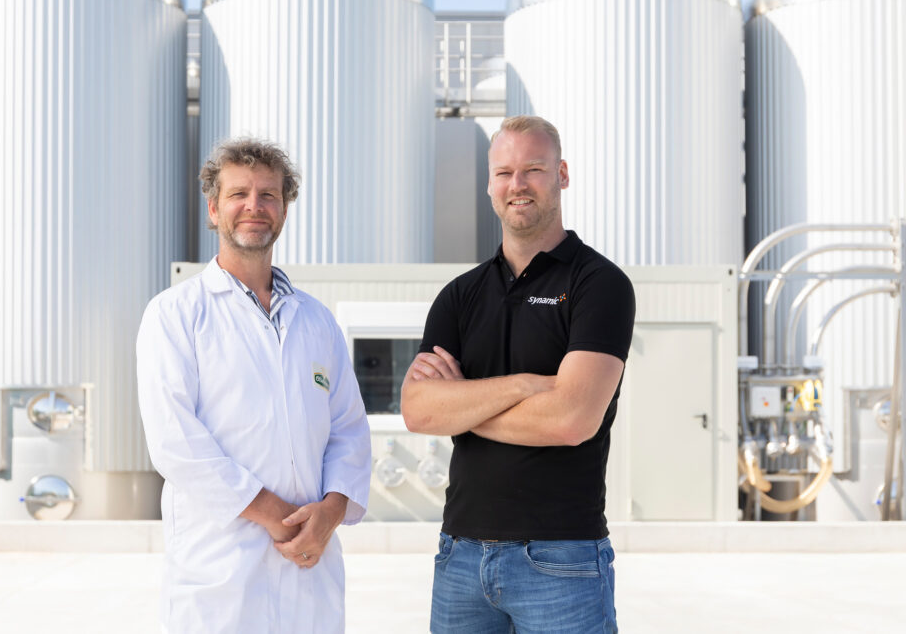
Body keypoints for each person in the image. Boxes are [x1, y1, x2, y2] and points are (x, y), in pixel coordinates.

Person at [401, 115, 635, 633]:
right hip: (459, 554)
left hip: (561, 559)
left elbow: (571, 419)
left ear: (562, 175)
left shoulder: (599, 285)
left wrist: (460, 405)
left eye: (533, 169)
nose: (518, 184)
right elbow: (418, 411)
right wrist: (526, 385)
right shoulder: (459, 295)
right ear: (489, 185)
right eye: (504, 172)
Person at [136, 137, 371, 633]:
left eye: (269, 195)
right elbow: (175, 442)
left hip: (310, 570)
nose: (254, 206)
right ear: (213, 208)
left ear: (284, 210)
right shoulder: (175, 315)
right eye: (239, 193)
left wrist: (329, 513)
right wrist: (276, 516)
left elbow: (349, 431)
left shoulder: (317, 321)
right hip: (220, 576)